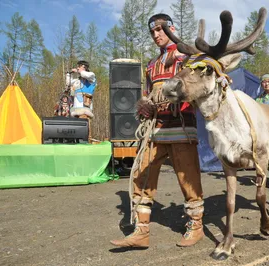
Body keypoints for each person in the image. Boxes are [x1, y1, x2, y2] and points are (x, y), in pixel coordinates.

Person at [110, 13, 204, 249]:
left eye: (160, 30)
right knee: (141, 174)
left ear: (171, 29)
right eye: (152, 32)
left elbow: (197, 89)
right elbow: (148, 93)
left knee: (188, 178)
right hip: (155, 130)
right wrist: (143, 105)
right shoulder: (151, 64)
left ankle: (196, 225)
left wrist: (175, 99)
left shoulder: (187, 57)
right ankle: (141, 231)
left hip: (181, 126)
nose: (156, 35)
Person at [66, 60, 97, 142]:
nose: (78, 69)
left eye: (80, 67)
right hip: (75, 109)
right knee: (75, 130)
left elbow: (85, 74)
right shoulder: (77, 81)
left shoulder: (91, 77)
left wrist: (79, 71)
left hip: (85, 109)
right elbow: (68, 83)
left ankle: (87, 140)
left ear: (84, 67)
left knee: (85, 128)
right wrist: (68, 74)